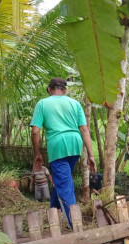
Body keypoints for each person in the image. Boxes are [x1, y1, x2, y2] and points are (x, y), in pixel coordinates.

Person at [31, 77, 96, 228]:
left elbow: (35, 131)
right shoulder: (75, 103)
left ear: (49, 89)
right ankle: (54, 210)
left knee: (65, 184)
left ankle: (76, 226)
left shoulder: (42, 103)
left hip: (57, 146)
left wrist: (37, 153)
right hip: (75, 144)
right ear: (65, 90)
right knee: (63, 180)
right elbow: (84, 129)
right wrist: (91, 155)